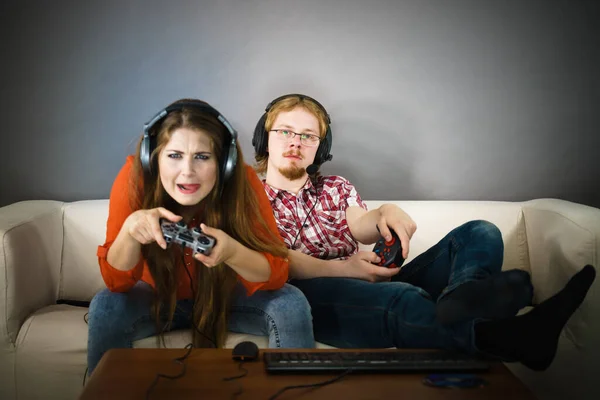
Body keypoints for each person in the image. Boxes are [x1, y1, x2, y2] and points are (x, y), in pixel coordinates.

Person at [252, 93, 596, 371]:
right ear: (265, 137)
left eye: (308, 136)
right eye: (284, 131)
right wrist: (340, 269)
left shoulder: (336, 188)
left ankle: (460, 300)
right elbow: (274, 258)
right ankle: (515, 336)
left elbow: (360, 223)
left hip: (369, 280)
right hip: (314, 297)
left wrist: (385, 213)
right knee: (404, 299)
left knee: (480, 232)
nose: (295, 142)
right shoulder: (247, 193)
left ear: (319, 148)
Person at [87, 99, 314, 375]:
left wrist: (231, 253)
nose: (187, 171)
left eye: (202, 157)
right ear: (153, 158)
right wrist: (131, 231)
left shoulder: (241, 181)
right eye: (174, 156)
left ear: (224, 163)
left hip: (226, 297)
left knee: (290, 301)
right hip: (156, 299)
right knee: (105, 304)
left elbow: (277, 273)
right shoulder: (135, 178)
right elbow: (116, 283)